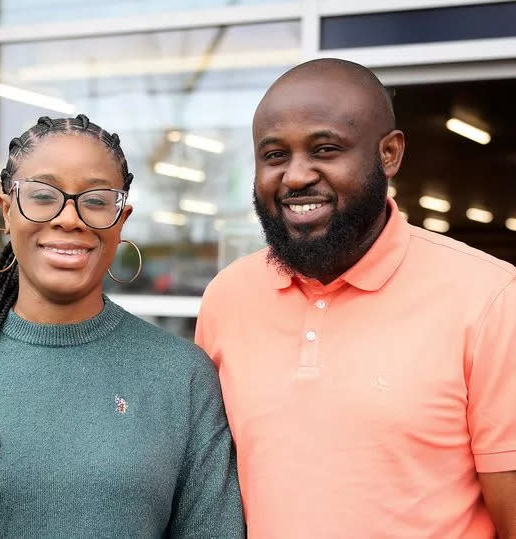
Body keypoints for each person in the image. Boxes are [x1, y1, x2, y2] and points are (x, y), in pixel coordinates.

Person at [0, 115, 245, 538]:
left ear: (122, 221)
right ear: (7, 211)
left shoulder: (181, 376)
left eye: (97, 200)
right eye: (43, 195)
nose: (69, 218)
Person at [196, 58, 516, 538]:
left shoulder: (489, 298)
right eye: (275, 155)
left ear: (388, 154)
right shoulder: (227, 297)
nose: (296, 176)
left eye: (325, 148)